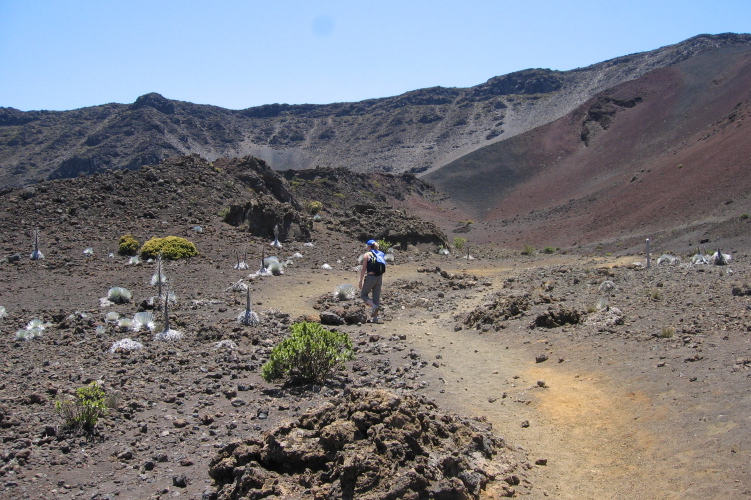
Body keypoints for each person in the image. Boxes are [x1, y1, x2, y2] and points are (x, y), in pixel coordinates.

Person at [359, 239, 386, 323]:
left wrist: (361, 280)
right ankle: (375, 318)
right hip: (379, 277)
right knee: (376, 298)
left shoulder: (367, 255)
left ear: (368, 246)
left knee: (363, 295)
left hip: (371, 277)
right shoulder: (381, 254)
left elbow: (364, 269)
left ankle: (374, 306)